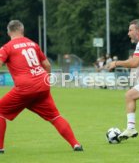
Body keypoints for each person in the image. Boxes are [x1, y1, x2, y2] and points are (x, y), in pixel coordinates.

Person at [0, 20, 83, 154]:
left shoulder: (6, 48)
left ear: (9, 32)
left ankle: (0, 148)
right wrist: (46, 80)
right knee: (55, 116)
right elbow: (47, 65)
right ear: (22, 30)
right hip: (42, 84)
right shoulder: (33, 44)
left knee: (0, 112)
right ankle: (76, 144)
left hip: (25, 88)